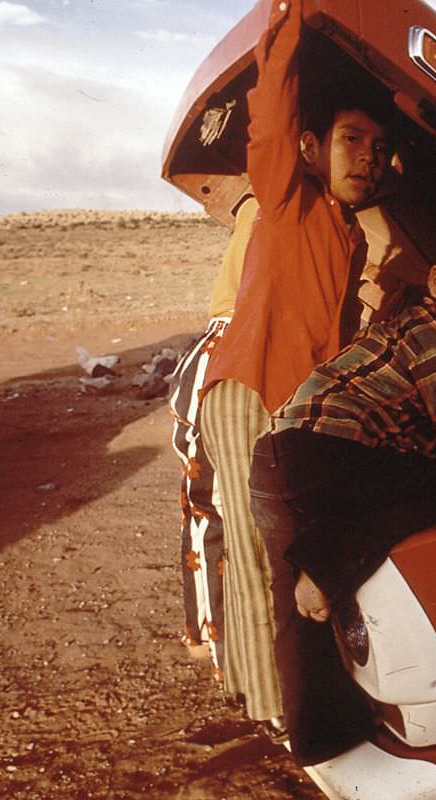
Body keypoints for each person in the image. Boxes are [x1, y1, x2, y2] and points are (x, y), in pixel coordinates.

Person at [248, 241, 436, 777]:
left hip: (277, 459)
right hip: (327, 457)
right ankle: (326, 561)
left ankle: (319, 738)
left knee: (302, 615)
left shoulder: (402, 325)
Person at [198, 0, 396, 729]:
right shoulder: (289, 197)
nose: (366, 157)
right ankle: (277, 714)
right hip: (251, 390)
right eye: (351, 139)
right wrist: (289, 20)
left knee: (283, 564)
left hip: (284, 405)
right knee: (264, 567)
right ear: (311, 147)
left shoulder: (349, 237)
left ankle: (281, 702)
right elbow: (271, 112)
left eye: (378, 147)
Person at [169, 193, 258, 682]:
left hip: (220, 353)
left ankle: (206, 637)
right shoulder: (271, 203)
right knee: (213, 511)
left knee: (206, 509)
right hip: (225, 355)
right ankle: (213, 643)